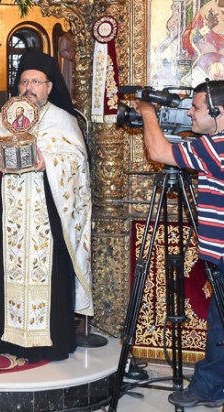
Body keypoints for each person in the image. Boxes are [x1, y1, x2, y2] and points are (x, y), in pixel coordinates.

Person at [0, 51, 92, 362]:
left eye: (36, 82)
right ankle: (8, 340)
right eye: (24, 81)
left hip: (48, 220)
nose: (29, 87)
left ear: (49, 87)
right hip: (9, 220)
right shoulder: (2, 119)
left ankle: (50, 343)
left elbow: (77, 164)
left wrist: (47, 162)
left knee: (52, 276)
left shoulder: (62, 120)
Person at [133, 79, 224, 408]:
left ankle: (208, 388)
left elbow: (158, 152)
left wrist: (147, 111)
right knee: (219, 323)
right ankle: (210, 389)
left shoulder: (216, 146)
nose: (190, 113)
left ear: (218, 112)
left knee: (221, 324)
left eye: (196, 108)